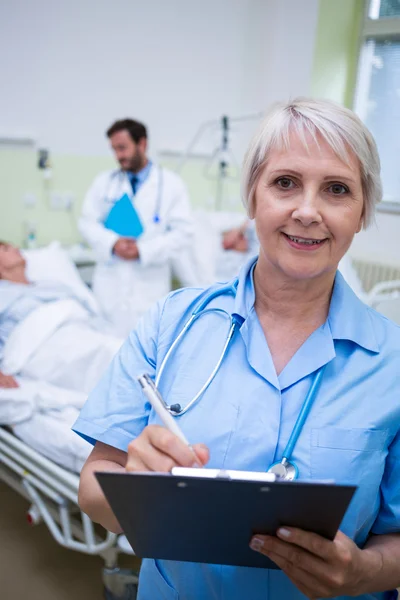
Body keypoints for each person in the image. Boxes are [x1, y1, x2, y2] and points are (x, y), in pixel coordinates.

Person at [74, 98, 400, 600]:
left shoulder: (392, 362)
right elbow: (94, 486)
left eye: (337, 189)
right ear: (252, 197)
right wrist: (134, 492)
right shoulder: (171, 325)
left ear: (361, 214)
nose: (307, 211)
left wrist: (367, 572)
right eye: (284, 182)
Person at [79, 118, 195, 337]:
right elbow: (86, 222)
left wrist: (143, 250)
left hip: (149, 283)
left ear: (142, 144)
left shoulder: (171, 185)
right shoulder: (104, 182)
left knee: (146, 348)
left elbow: (184, 233)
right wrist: (113, 244)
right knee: (107, 351)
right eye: (114, 149)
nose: (118, 156)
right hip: (110, 284)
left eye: (122, 148)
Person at [0, 242, 123, 393]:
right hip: (38, 347)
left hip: (78, 331)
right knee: (112, 356)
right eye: (6, 249)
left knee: (116, 350)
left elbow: (82, 312)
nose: (16, 248)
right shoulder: (3, 294)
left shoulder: (51, 285)